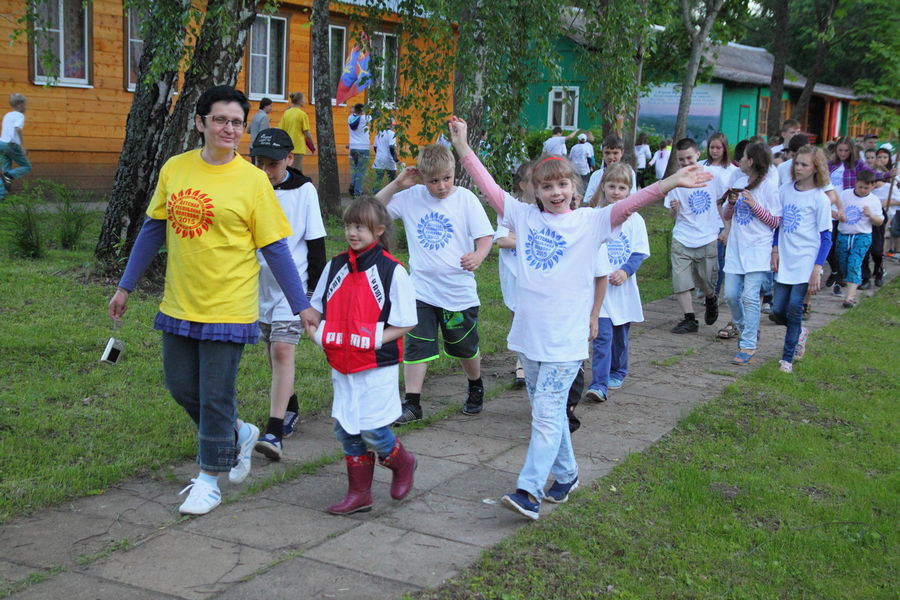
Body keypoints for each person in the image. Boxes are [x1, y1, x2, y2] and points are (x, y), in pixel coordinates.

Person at [448, 115, 711, 520]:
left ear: (575, 188)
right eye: (547, 185)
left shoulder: (591, 222)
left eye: (563, 184)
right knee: (546, 410)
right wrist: (463, 146)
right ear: (534, 191)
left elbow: (630, 204)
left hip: (566, 339)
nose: (556, 192)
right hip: (530, 335)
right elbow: (487, 187)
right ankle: (567, 474)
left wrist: (671, 182)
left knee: (547, 412)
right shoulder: (523, 217)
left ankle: (529, 490)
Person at [107, 86, 317, 515]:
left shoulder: (254, 180)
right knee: (182, 387)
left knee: (216, 395)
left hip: (231, 304)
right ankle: (238, 434)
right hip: (180, 302)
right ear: (200, 122)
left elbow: (276, 248)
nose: (229, 128)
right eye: (220, 120)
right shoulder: (175, 168)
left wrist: (302, 305)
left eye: (237, 122)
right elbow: (152, 229)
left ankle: (210, 480)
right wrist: (125, 285)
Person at [305, 197, 418, 515]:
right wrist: (314, 327)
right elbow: (317, 304)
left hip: (375, 365)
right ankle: (360, 494)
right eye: (348, 226)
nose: (352, 233)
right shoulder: (336, 265)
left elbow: (407, 320)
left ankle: (403, 463)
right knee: (346, 428)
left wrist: (374, 339)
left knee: (372, 429)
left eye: (360, 227)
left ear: (379, 231)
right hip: (341, 363)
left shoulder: (391, 271)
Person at [375, 144, 494, 422]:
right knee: (417, 346)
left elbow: (485, 237)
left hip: (458, 293)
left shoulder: (465, 199)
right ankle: (412, 403)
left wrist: (478, 255)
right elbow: (371, 208)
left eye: (447, 178)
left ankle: (475, 384)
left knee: (464, 346)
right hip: (421, 291)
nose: (441, 186)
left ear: (454, 173)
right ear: (422, 177)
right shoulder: (410, 197)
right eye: (433, 180)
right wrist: (396, 183)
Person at [250, 128, 327, 460]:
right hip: (257, 288)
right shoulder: (251, 188)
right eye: (260, 164)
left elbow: (316, 245)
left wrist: (310, 295)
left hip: (292, 289)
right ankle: (291, 405)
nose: (266, 172)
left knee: (283, 350)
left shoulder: (304, 191)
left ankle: (274, 428)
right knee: (271, 355)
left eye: (273, 165)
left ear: (289, 159)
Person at [583, 163, 649, 403]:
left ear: (630, 190)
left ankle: (618, 370)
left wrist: (625, 271)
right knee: (601, 337)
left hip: (622, 290)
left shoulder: (635, 220)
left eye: (622, 187)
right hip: (599, 291)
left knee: (620, 337)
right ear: (603, 187)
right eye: (611, 186)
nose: (616, 192)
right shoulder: (594, 216)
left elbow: (640, 252)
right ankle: (598, 384)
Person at [771, 145, 832, 374]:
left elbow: (826, 237)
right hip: (785, 257)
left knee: (795, 307)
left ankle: (787, 359)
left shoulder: (820, 199)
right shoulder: (785, 190)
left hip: (806, 260)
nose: (798, 168)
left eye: (804, 164)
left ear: (816, 168)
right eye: (797, 163)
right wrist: (775, 249)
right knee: (778, 310)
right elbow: (778, 223)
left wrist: (817, 268)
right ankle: (800, 332)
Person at [719, 142, 781, 364]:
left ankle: (748, 344)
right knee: (731, 295)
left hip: (758, 249)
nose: (740, 161)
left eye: (744, 157)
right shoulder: (738, 182)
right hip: (736, 248)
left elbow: (775, 222)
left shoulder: (769, 187)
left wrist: (755, 205)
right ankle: (748, 329)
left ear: (752, 161)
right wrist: (732, 204)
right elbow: (727, 215)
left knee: (750, 296)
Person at [664, 138, 724, 334]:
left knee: (705, 280)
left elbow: (722, 202)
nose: (686, 163)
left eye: (689, 158)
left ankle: (710, 297)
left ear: (698, 155)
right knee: (680, 280)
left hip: (707, 236)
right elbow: (672, 215)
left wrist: (725, 228)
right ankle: (689, 319)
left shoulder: (713, 176)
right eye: (681, 160)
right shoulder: (675, 181)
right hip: (683, 236)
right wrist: (675, 210)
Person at [494, 161, 535, 388]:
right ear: (522, 184)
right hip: (513, 273)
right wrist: (531, 240)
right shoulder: (511, 209)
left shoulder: (544, 209)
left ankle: (533, 358)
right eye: (533, 181)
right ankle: (521, 361)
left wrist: (517, 237)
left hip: (535, 274)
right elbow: (503, 240)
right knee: (517, 318)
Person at [836, 170, 882, 307]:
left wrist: (871, 215)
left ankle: (850, 297)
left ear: (872, 186)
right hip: (844, 234)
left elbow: (879, 221)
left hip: (862, 235)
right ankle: (849, 281)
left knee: (854, 263)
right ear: (856, 183)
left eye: (866, 188)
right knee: (843, 263)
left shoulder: (874, 200)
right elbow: (834, 210)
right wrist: (839, 214)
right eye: (860, 187)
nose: (862, 190)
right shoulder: (845, 195)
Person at [702, 132, 738, 297]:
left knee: (717, 259)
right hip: (702, 219)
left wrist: (727, 227)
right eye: (712, 147)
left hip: (720, 220)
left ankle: (714, 292)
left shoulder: (732, 171)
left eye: (718, 147)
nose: (715, 151)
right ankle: (703, 287)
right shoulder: (701, 166)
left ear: (724, 149)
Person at [584, 134, 637, 203]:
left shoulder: (629, 173)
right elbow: (589, 202)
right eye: (607, 153)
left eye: (615, 153)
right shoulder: (596, 175)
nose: (611, 157)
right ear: (602, 153)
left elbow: (632, 199)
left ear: (622, 153)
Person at [0, 93, 30, 197]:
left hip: (1, 144)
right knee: (26, 166)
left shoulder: (7, 115)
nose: (26, 107)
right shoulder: (20, 115)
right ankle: (9, 175)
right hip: (11, 145)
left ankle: (1, 196)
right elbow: (17, 128)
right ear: (19, 105)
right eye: (25, 105)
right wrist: (22, 145)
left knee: (5, 170)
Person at [280, 92, 315, 172]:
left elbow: (282, 130)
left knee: (288, 170)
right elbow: (307, 133)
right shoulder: (302, 115)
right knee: (296, 171)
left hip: (287, 147)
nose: (305, 101)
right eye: (304, 99)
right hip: (298, 147)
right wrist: (312, 146)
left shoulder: (286, 113)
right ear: (300, 101)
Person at [348, 103, 372, 197]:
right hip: (363, 148)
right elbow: (377, 113)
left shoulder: (350, 118)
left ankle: (353, 187)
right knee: (361, 171)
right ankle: (357, 192)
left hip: (353, 147)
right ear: (362, 111)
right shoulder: (366, 118)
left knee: (354, 170)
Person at [372, 120, 399, 193]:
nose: (394, 127)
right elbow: (392, 147)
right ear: (391, 125)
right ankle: (392, 195)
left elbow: (375, 147)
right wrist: (396, 159)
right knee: (392, 180)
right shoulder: (392, 134)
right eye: (393, 125)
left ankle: (375, 197)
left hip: (379, 159)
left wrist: (379, 155)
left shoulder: (379, 133)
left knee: (378, 180)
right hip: (389, 159)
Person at [247, 97, 272, 165]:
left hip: (252, 146)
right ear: (265, 106)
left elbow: (248, 130)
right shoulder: (264, 117)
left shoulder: (255, 116)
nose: (271, 108)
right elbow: (263, 134)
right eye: (270, 106)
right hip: (259, 148)